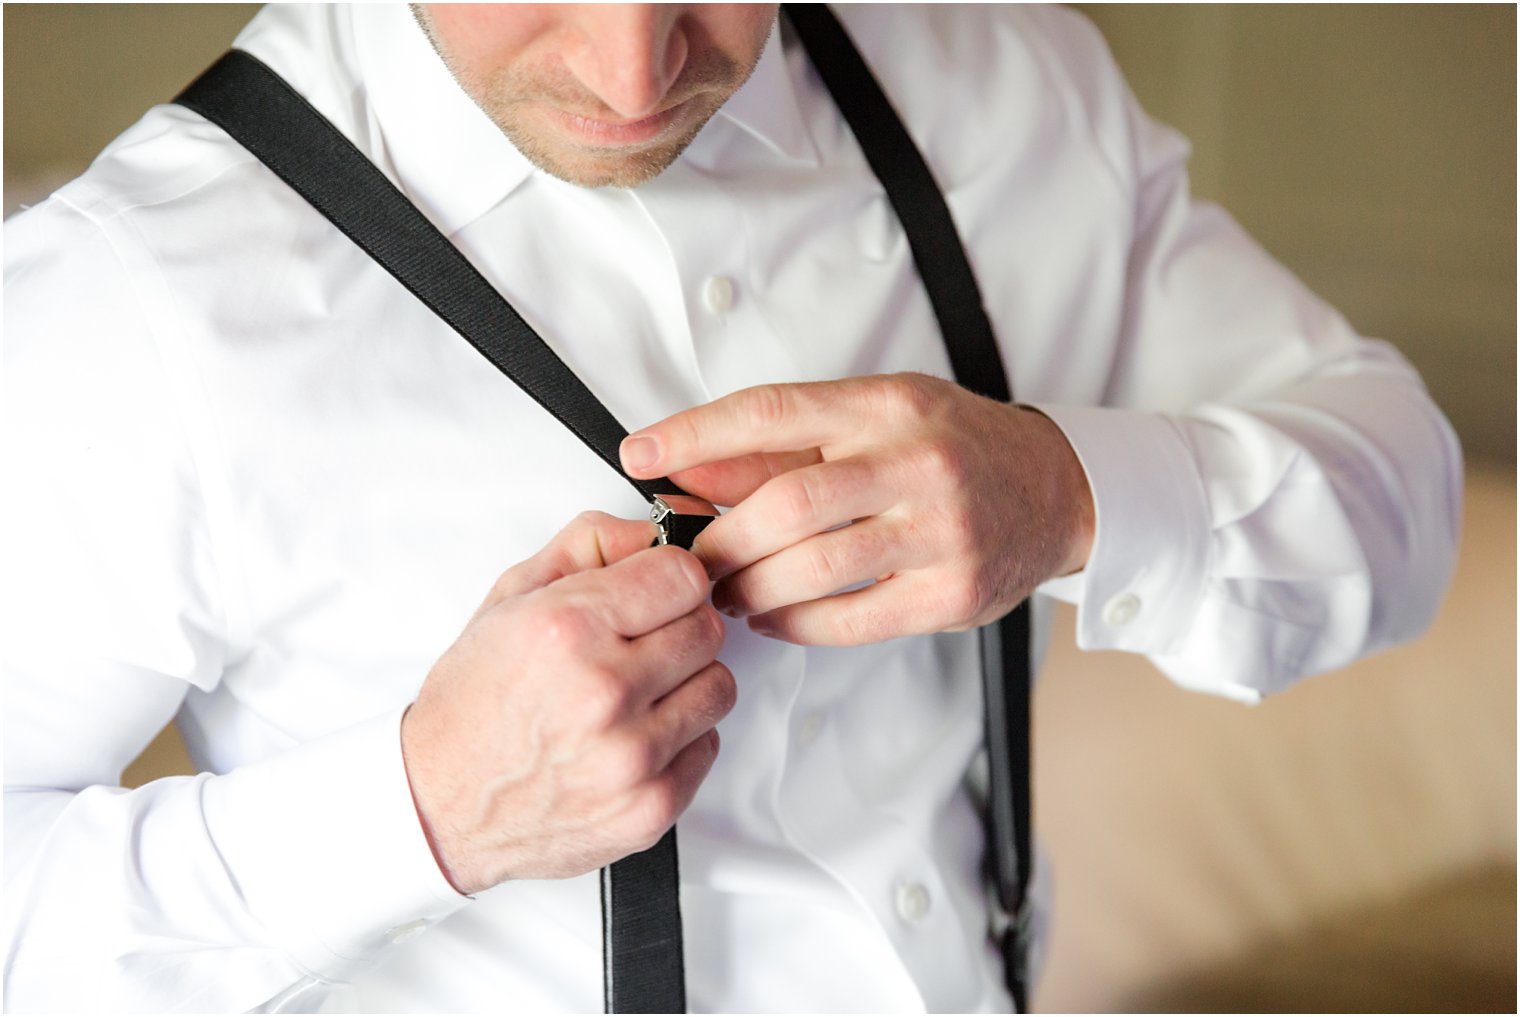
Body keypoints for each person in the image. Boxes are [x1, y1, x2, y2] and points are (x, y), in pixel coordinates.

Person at [1, 3, 1461, 1012]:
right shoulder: (129, 297)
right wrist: (424, 807)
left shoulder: (1003, 93)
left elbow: (1401, 488)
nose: (635, 70)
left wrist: (1069, 491)